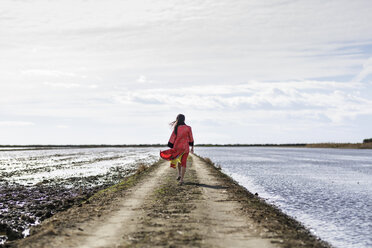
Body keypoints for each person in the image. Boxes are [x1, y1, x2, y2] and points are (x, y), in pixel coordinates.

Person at [160, 114, 194, 185]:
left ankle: (179, 174)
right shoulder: (188, 128)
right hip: (185, 148)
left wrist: (171, 145)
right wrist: (192, 147)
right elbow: (191, 138)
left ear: (177, 119)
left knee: (179, 161)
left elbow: (173, 137)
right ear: (184, 119)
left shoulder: (176, 127)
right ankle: (181, 179)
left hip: (177, 148)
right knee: (183, 162)